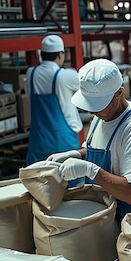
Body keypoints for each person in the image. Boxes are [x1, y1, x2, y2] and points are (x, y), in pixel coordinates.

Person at [48, 59, 131, 222]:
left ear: (119, 93)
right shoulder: (101, 116)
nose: (91, 112)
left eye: (98, 105)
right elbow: (94, 148)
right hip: (101, 211)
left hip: (126, 217)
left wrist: (92, 171)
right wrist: (76, 154)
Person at [25, 35, 82, 164]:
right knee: (70, 179)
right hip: (63, 141)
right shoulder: (65, 76)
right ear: (60, 54)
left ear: (42, 54)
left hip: (39, 139)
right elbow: (88, 88)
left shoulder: (30, 74)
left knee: (39, 179)